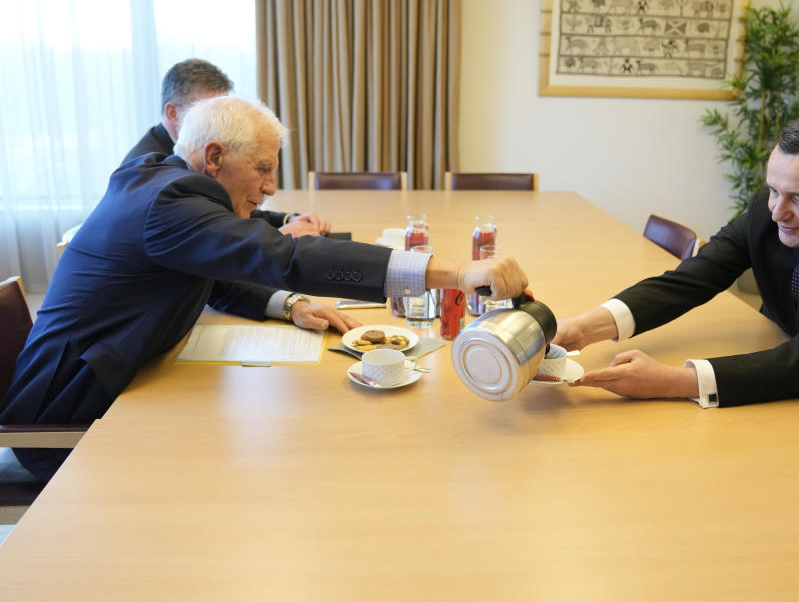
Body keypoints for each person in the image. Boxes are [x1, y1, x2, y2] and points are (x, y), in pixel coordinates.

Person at [1, 96, 529, 480]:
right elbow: (288, 256)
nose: (271, 187)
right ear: (213, 158)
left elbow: (211, 278)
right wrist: (459, 273)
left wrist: (289, 304)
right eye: (263, 169)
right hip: (65, 419)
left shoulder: (161, 180)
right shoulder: (171, 202)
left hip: (120, 382)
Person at [554, 109, 799, 438]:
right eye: (774, 190)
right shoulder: (771, 206)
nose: (777, 211)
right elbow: (695, 277)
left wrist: (672, 381)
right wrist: (585, 328)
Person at [122, 58, 328, 238]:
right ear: (173, 113)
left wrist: (286, 219)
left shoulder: (193, 155)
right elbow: (207, 239)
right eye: (207, 109)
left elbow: (226, 206)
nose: (221, 119)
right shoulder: (150, 169)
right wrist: (277, 239)